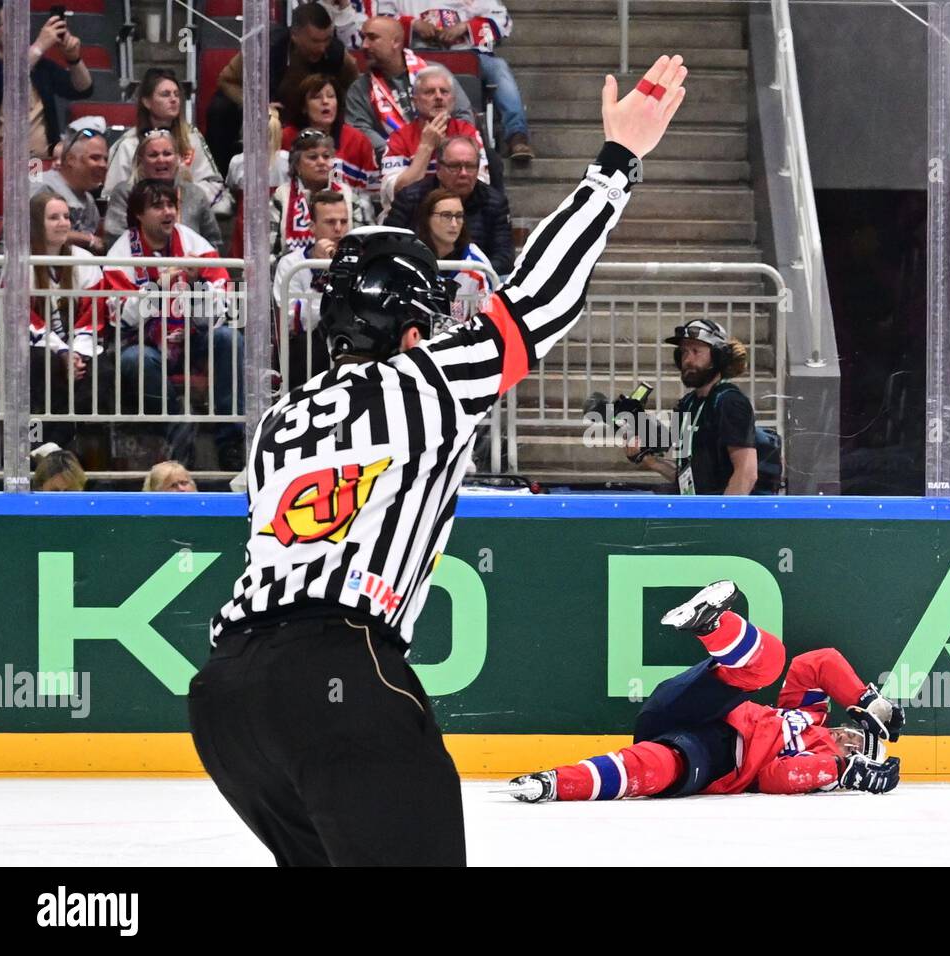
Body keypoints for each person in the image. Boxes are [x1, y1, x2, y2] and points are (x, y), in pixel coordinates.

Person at [189, 54, 688, 867]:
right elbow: (539, 301)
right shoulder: (425, 379)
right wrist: (615, 165)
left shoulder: (280, 422)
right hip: (339, 676)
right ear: (416, 328)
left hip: (228, 702)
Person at [508, 581, 904, 803]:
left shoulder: (819, 762)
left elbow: (775, 776)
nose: (846, 739)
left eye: (853, 747)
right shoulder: (812, 716)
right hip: (700, 706)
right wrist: (867, 700)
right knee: (771, 661)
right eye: (854, 733)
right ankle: (709, 625)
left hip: (712, 755)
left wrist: (840, 772)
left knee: (655, 768)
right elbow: (815, 664)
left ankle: (552, 783)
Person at [108, 179, 244, 468]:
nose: (167, 211)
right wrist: (158, 286)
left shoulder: (196, 244)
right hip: (146, 343)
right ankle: (180, 434)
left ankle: (231, 441)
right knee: (135, 359)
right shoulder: (121, 253)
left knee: (229, 339)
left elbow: (218, 313)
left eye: (171, 205)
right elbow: (123, 318)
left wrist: (196, 284)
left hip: (193, 338)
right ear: (139, 214)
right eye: (158, 206)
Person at [207, 2, 359, 174]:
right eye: (315, 41)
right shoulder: (264, 47)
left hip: (311, 115)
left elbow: (355, 87)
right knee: (221, 109)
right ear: (295, 35)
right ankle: (224, 176)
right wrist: (257, 105)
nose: (322, 48)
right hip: (270, 113)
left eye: (327, 40)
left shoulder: (336, 53)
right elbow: (227, 80)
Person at [22, 190, 122, 449]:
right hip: (38, 350)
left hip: (78, 347)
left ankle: (75, 448)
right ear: (35, 223)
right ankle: (43, 450)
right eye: (54, 217)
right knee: (43, 364)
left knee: (102, 369)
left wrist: (75, 353)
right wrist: (62, 352)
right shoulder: (20, 263)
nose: (64, 223)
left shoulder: (84, 261)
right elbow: (24, 319)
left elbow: (93, 315)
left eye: (66, 216)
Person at [383, 0, 534, 160]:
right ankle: (402, 137)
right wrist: (413, 24)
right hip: (419, 55)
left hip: (468, 54)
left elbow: (502, 20)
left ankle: (517, 136)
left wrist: (466, 27)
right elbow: (381, 19)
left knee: (499, 67)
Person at [625, 318, 760, 495]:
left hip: (717, 514)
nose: (687, 359)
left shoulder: (730, 402)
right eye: (684, 352)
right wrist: (651, 462)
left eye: (696, 351)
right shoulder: (686, 404)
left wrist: (723, 518)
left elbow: (747, 473)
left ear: (717, 357)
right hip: (695, 510)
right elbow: (686, 475)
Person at [343, 15, 476, 155]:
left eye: (372, 38)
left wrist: (445, 150)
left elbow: (463, 116)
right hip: (390, 163)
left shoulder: (436, 73)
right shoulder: (359, 89)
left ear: (396, 42)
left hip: (444, 158)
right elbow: (360, 131)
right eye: (363, 37)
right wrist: (401, 153)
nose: (364, 45)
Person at [106, 68, 229, 216]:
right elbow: (113, 196)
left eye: (176, 94)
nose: (173, 99)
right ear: (146, 101)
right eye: (165, 94)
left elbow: (213, 185)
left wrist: (182, 195)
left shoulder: (191, 138)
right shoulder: (128, 144)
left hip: (187, 220)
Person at [385, 135, 512, 273]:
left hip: (475, 283)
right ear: (439, 169)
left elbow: (504, 257)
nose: (463, 173)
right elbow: (387, 245)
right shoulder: (410, 197)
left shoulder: (494, 201)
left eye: (470, 166)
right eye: (455, 166)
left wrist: (468, 276)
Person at [0, 5, 92, 161]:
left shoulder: (40, 66)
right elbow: (3, 84)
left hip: (37, 162)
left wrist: (73, 59)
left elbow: (82, 89)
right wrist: (39, 46)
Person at [272, 189, 352, 388]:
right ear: (312, 227)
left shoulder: (359, 261)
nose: (338, 229)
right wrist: (320, 273)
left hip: (352, 342)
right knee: (311, 343)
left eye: (343, 221)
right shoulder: (291, 264)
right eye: (330, 222)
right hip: (308, 347)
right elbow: (293, 321)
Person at [380, 63, 488, 206]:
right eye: (429, 92)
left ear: (453, 100)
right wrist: (426, 146)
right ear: (415, 102)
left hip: (462, 212)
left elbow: (479, 187)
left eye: (444, 92)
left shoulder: (467, 133)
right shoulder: (399, 138)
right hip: (412, 214)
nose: (438, 97)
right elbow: (396, 194)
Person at [103, 130, 222, 250]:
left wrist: (197, 263)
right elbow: (114, 239)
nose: (161, 160)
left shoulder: (195, 194)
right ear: (141, 160)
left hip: (191, 266)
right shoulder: (125, 193)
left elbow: (214, 242)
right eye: (153, 155)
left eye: (167, 154)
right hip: (138, 265)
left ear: (178, 158)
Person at [280, 74, 381, 203]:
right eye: (316, 97)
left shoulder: (358, 141)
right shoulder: (286, 137)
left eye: (331, 96)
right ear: (304, 107)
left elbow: (373, 196)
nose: (325, 102)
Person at [271, 129, 368, 258]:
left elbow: (363, 248)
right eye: (313, 157)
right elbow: (266, 254)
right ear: (296, 165)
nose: (321, 162)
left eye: (326, 156)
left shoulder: (349, 197)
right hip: (290, 274)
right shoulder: (281, 197)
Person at [413, 187, 492, 324]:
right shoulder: (412, 259)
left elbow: (486, 320)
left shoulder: (476, 265)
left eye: (459, 216)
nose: (454, 224)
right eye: (446, 216)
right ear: (427, 218)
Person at [29, 127, 107, 253]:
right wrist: (87, 239)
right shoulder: (41, 185)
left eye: (105, 159)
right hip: (20, 266)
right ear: (71, 160)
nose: (103, 165)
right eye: (95, 158)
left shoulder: (89, 201)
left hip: (68, 268)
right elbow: (32, 230)